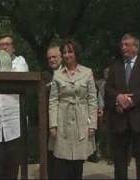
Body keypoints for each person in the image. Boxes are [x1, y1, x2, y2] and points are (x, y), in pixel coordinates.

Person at [105, 33, 140, 179]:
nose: (123, 48)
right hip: (120, 121)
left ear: (136, 47)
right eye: (122, 45)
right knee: (120, 163)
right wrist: (118, 98)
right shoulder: (115, 66)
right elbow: (108, 89)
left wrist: (130, 100)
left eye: (126, 45)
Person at [48, 39, 98, 179]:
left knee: (77, 166)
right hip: (62, 121)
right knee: (61, 165)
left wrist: (92, 124)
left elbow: (92, 100)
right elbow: (53, 100)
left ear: (76, 53)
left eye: (70, 51)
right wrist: (53, 124)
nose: (67, 55)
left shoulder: (87, 73)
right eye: (64, 52)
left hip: (81, 122)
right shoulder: (58, 74)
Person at [0, 34, 29, 179]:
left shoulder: (20, 62)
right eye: (1, 45)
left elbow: (20, 77)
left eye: (7, 44)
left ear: (13, 47)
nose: (4, 47)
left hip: (13, 122)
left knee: (12, 166)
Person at [45, 43, 63, 178]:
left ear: (61, 57)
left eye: (54, 57)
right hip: (48, 125)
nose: (51, 60)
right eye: (49, 58)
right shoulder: (45, 77)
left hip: (66, 124)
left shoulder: (70, 74)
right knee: (51, 160)